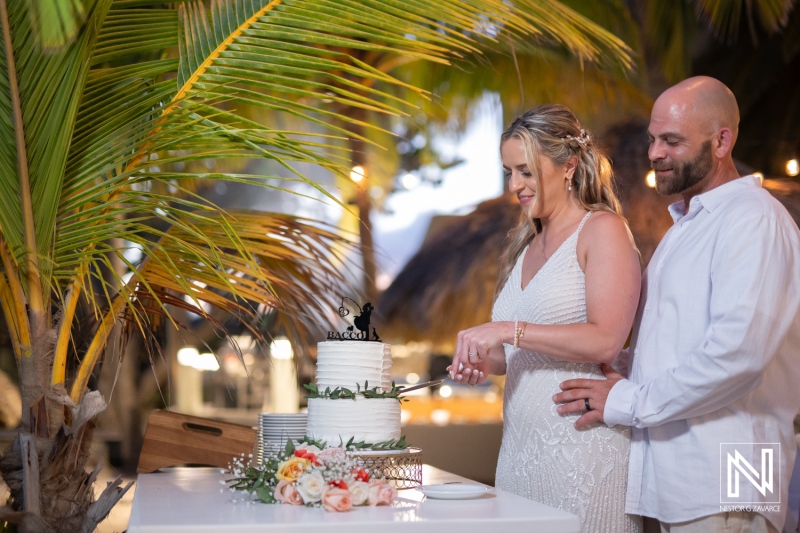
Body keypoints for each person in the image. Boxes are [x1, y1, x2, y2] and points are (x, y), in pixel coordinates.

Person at [553, 76, 800, 533]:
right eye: (652, 139)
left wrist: (627, 400)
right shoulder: (688, 227)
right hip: (684, 482)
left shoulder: (755, 218)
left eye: (672, 140)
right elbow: (678, 346)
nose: (654, 153)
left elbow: (737, 357)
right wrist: (614, 364)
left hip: (735, 477)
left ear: (722, 140)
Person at [449, 104, 643, 532]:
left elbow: (606, 339)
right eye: (508, 172)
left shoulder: (602, 229)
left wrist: (505, 330)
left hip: (582, 453)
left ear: (569, 166)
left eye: (526, 171)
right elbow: (522, 354)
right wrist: (487, 361)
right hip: (518, 455)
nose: (514, 185)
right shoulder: (526, 242)